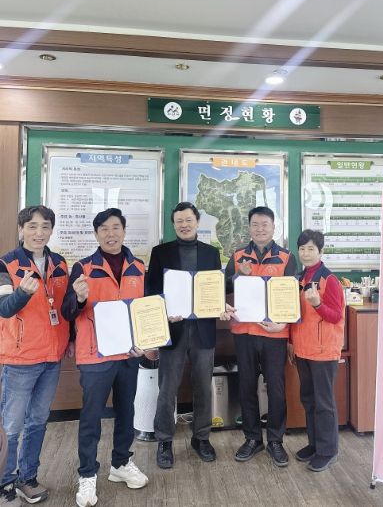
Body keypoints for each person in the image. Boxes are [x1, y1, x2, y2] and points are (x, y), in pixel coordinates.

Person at [61, 208, 148, 507]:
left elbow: (145, 310)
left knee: (126, 412)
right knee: (91, 417)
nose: (111, 234)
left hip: (129, 354)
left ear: (124, 230)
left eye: (115, 227)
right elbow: (67, 312)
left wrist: (146, 341)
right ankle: (87, 474)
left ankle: (121, 463)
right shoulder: (82, 267)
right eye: (104, 229)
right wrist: (78, 297)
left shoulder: (139, 267)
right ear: (96, 234)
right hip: (94, 356)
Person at [0, 206, 71, 506]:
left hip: (52, 357)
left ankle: (27, 479)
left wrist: (71, 338)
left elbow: (65, 307)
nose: (39, 232)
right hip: (20, 359)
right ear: (21, 229)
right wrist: (22, 294)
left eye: (45, 226)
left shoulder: (59, 263)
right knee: (11, 426)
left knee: (38, 421)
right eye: (32, 226)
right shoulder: (6, 264)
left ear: (51, 230)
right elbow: (4, 308)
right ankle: (4, 481)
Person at [146, 202, 222, 469]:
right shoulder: (160, 253)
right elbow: (151, 291)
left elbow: (216, 289)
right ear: (173, 224)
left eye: (189, 220)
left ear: (197, 222)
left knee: (203, 387)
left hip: (203, 330)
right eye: (179, 221)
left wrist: (221, 302)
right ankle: (164, 441)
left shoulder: (212, 253)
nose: (184, 225)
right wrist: (163, 312)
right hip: (172, 330)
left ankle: (201, 438)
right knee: (167, 389)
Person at [222, 206, 297, 467]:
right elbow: (223, 287)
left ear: (274, 227)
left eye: (265, 224)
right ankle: (253, 438)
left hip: (275, 333)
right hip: (244, 332)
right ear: (249, 228)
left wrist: (284, 325)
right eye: (255, 224)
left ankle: (275, 440)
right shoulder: (238, 256)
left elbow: (294, 296)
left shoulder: (287, 257)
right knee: (246, 386)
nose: (260, 229)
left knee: (276, 388)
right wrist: (237, 274)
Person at [289, 229, 344, 472]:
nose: (306, 253)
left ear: (321, 251)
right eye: (302, 249)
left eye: (311, 249)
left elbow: (336, 316)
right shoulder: (300, 277)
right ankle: (315, 445)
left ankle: (328, 451)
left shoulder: (329, 280)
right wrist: (291, 342)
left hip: (323, 351)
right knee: (309, 400)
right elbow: (294, 315)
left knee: (324, 403)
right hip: (303, 349)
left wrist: (318, 304)